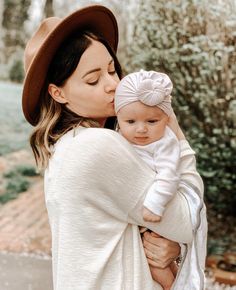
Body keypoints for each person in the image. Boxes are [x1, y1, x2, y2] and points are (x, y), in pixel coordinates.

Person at [22, 5, 207, 290]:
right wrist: (174, 131)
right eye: (94, 79)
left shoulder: (67, 145)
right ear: (57, 93)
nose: (113, 85)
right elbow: (186, 218)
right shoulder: (96, 146)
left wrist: (173, 248)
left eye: (112, 70)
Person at [114, 69, 198, 290]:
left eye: (152, 121)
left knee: (155, 262)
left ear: (166, 119)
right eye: (130, 121)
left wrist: (155, 203)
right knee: (156, 259)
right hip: (140, 216)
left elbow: (169, 175)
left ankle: (173, 286)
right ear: (119, 119)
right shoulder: (118, 137)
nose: (141, 129)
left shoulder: (164, 142)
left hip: (158, 207)